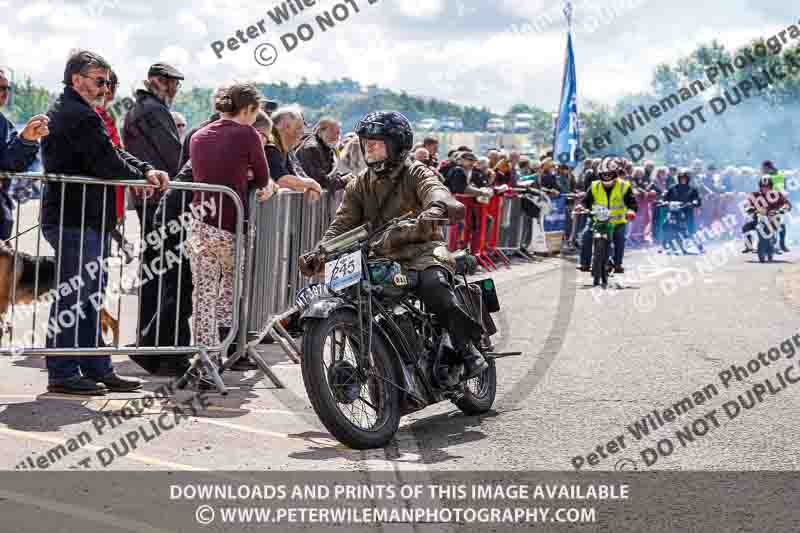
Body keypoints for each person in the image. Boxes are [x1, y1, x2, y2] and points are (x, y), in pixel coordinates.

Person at [298, 111, 488, 379]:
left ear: (396, 145)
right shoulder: (359, 183)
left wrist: (438, 206)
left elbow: (435, 189)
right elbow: (342, 223)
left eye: (376, 142)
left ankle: (466, 349)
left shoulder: (415, 171)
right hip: (381, 255)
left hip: (423, 249)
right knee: (356, 297)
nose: (369, 148)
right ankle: (385, 366)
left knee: (433, 284)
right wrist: (321, 251)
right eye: (366, 142)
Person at [41, 49, 169, 395]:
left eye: (108, 82)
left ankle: (96, 366)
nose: (104, 87)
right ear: (76, 79)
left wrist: (144, 169)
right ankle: (64, 370)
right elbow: (107, 163)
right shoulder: (75, 114)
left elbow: (113, 152)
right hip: (73, 218)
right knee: (74, 296)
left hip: (88, 219)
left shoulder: (86, 112)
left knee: (91, 297)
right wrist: (144, 176)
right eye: (99, 81)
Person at [186, 83, 278, 375]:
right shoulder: (247, 134)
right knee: (230, 291)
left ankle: (204, 359)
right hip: (230, 224)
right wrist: (251, 174)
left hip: (199, 224)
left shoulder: (199, 135)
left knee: (203, 295)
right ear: (249, 109)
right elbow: (263, 178)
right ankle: (223, 348)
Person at [122, 62, 192, 373]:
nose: (174, 88)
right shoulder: (151, 109)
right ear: (154, 81)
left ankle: (151, 347)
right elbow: (173, 156)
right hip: (161, 205)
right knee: (169, 276)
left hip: (153, 202)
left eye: (176, 83)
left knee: (158, 274)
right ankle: (159, 349)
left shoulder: (143, 107)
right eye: (169, 82)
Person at [0, 68, 49, 240]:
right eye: (0, 88)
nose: (4, 93)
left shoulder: (5, 125)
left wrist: (27, 139)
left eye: (7, 88)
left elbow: (11, 162)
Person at [578, 157, 637, 273]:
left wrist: (631, 211)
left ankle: (618, 263)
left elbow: (632, 202)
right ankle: (584, 263)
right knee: (586, 236)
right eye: (604, 174)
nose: (606, 177)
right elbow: (586, 201)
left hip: (617, 221)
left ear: (615, 174)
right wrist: (581, 207)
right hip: (597, 220)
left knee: (620, 239)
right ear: (600, 174)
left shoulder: (624, 186)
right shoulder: (594, 185)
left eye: (609, 174)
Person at [265, 106, 322, 200]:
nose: (301, 134)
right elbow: (282, 180)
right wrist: (312, 184)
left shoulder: (285, 150)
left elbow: (295, 177)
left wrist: (311, 187)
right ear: (285, 126)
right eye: (298, 128)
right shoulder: (271, 147)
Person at [742, 177, 792, 254]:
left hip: (773, 220)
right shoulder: (754, 195)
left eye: (767, 187)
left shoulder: (777, 195)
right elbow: (746, 203)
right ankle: (749, 246)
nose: (765, 189)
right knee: (745, 227)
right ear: (760, 187)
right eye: (763, 187)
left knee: (782, 226)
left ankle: (782, 245)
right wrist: (748, 208)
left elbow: (787, 204)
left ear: (771, 187)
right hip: (758, 220)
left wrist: (783, 209)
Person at [295, 116, 342, 190]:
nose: (336, 136)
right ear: (320, 131)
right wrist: (344, 181)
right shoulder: (311, 148)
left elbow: (332, 174)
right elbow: (320, 181)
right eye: (332, 131)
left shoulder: (328, 148)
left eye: (338, 133)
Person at [662, 168, 702, 254]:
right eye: (681, 178)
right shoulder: (672, 188)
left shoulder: (692, 189)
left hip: (687, 212)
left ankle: (699, 246)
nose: (683, 179)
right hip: (674, 212)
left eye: (685, 178)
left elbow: (698, 201)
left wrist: (692, 203)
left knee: (690, 230)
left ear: (688, 179)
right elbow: (665, 198)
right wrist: (664, 202)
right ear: (678, 178)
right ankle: (665, 246)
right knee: (666, 226)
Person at [762, 160, 789, 251]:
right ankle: (772, 242)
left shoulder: (778, 175)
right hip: (768, 201)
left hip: (778, 201)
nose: (762, 170)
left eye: (763, 168)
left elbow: (782, 188)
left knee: (780, 222)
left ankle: (781, 243)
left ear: (767, 168)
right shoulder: (767, 176)